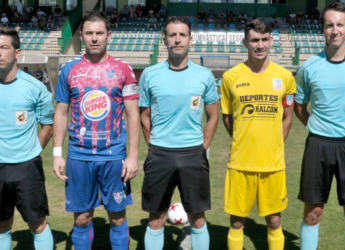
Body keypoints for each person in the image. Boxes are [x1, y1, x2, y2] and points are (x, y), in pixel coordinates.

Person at [53, 10, 140, 250]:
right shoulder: (68, 70)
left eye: (99, 33)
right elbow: (61, 112)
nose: (94, 38)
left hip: (114, 157)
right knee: (82, 218)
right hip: (78, 157)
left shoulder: (124, 69)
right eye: (89, 33)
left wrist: (132, 156)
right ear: (81, 35)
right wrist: (57, 153)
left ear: (108, 36)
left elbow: (133, 115)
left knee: (118, 216)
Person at [139, 16, 219, 250]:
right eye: (172, 35)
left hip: (193, 154)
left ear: (190, 40)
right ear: (164, 39)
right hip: (160, 154)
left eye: (182, 35)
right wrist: (153, 145)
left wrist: (202, 147)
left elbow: (213, 115)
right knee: (156, 218)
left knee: (198, 218)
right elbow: (144, 115)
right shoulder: (150, 74)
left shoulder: (204, 75)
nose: (177, 39)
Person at [220, 18, 296, 250]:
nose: (260, 45)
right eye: (254, 40)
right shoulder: (230, 77)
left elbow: (288, 117)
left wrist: (274, 144)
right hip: (240, 162)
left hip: (272, 164)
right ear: (245, 43)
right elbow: (227, 117)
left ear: (271, 41)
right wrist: (243, 139)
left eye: (264, 39)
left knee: (274, 221)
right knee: (236, 222)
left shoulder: (285, 77)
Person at [294, 3, 345, 249]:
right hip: (318, 145)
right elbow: (299, 106)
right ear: (323, 30)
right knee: (313, 213)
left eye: (340, 24)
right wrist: (316, 127)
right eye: (329, 25)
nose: (334, 30)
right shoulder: (308, 67)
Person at [0, 26, 54, 250]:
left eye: (4, 47)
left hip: (27, 167)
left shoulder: (35, 87)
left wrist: (31, 152)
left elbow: (48, 126)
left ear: (17, 53)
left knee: (37, 223)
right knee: (1, 224)